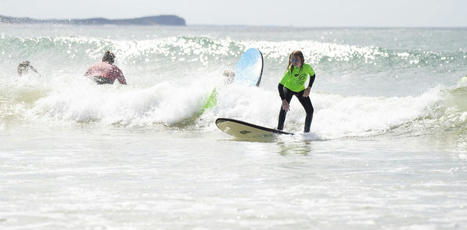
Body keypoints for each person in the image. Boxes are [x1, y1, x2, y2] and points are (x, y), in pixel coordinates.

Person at [277, 50, 316, 133]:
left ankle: (306, 133)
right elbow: (280, 85)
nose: (294, 62)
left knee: (310, 111)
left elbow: (313, 75)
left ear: (302, 59)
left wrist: (309, 88)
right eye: (292, 60)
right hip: (288, 89)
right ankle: (279, 130)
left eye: (296, 60)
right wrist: (284, 101)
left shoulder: (307, 67)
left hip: (300, 90)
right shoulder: (290, 71)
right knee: (284, 109)